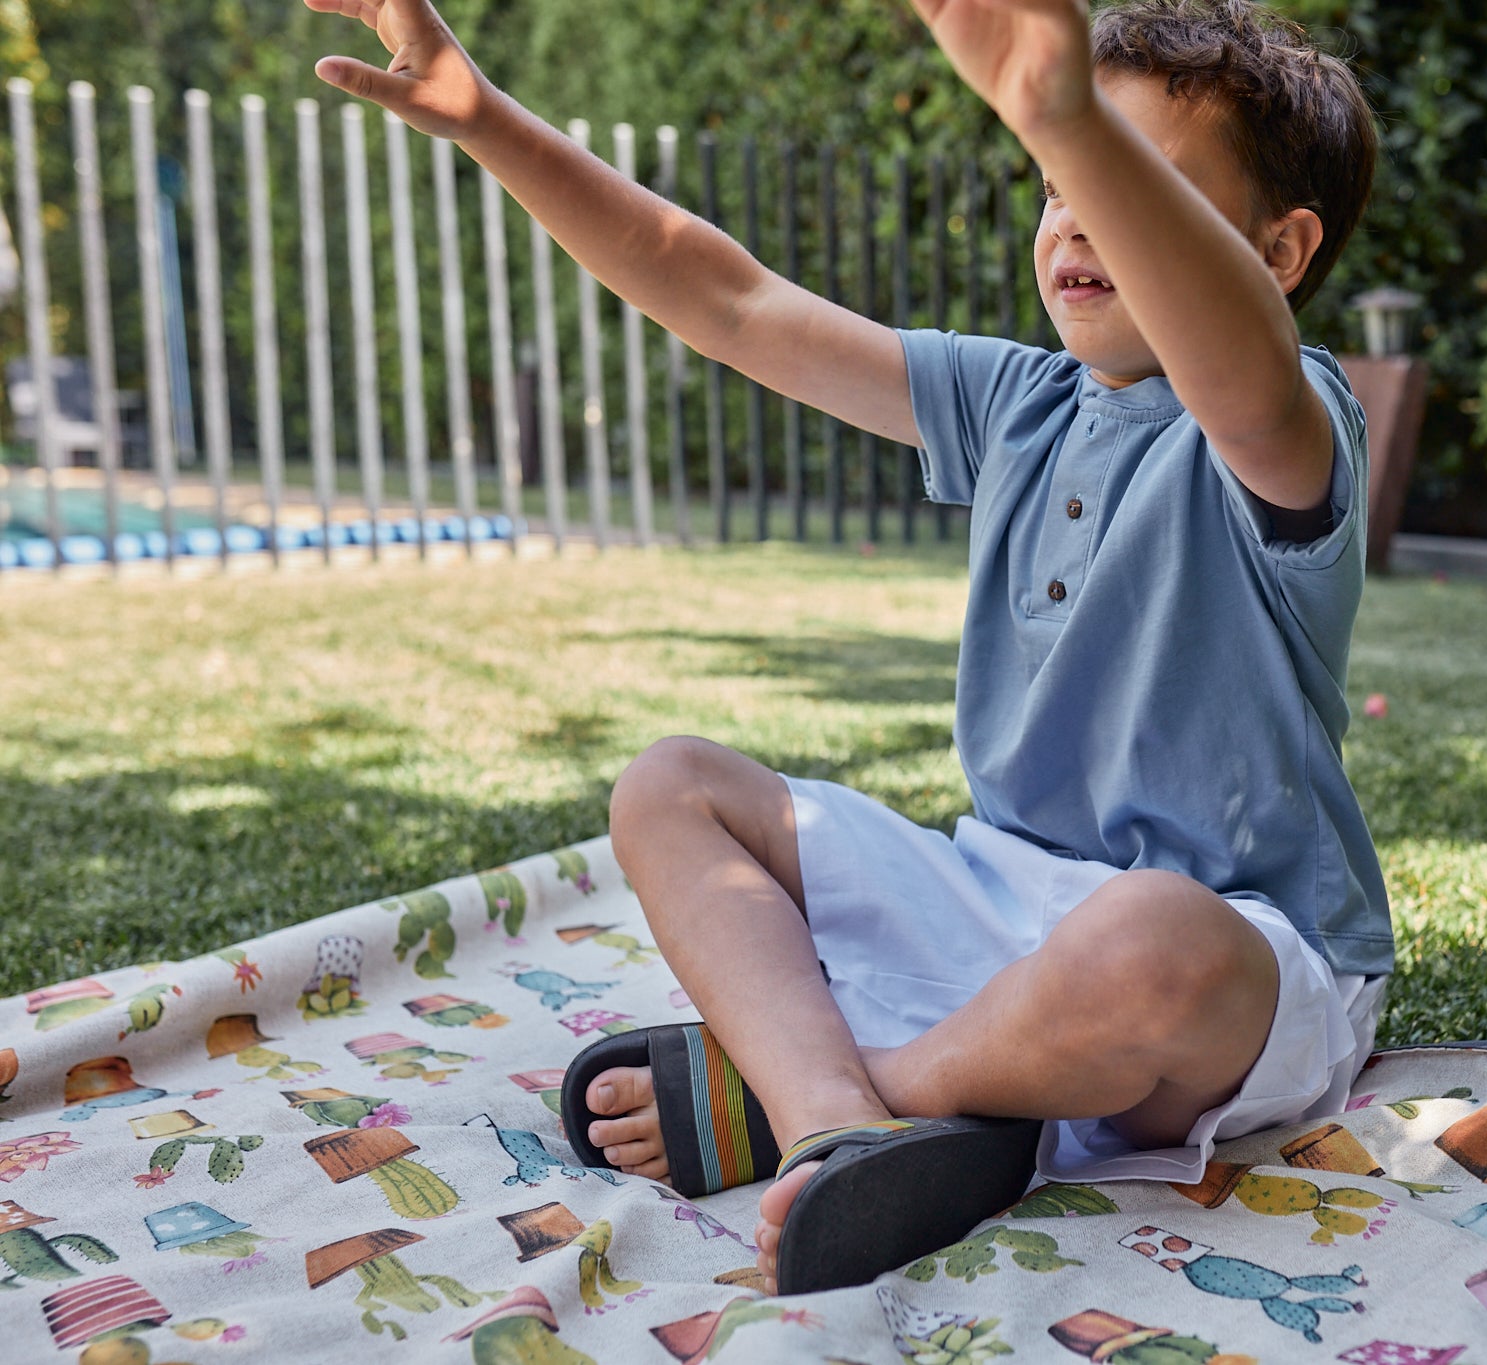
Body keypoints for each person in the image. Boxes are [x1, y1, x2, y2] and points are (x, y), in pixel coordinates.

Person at [306, 0, 1394, 1295]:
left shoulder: (1289, 420)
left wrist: (1061, 109)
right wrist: (487, 121)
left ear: (1280, 250)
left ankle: (845, 1090)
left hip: (1235, 966)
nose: (1075, 213)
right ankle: (843, 1117)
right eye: (1055, 178)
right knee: (671, 786)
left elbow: (1247, 379)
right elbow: (736, 302)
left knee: (1146, 934)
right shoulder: (1015, 404)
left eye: (1131, 175)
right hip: (996, 909)